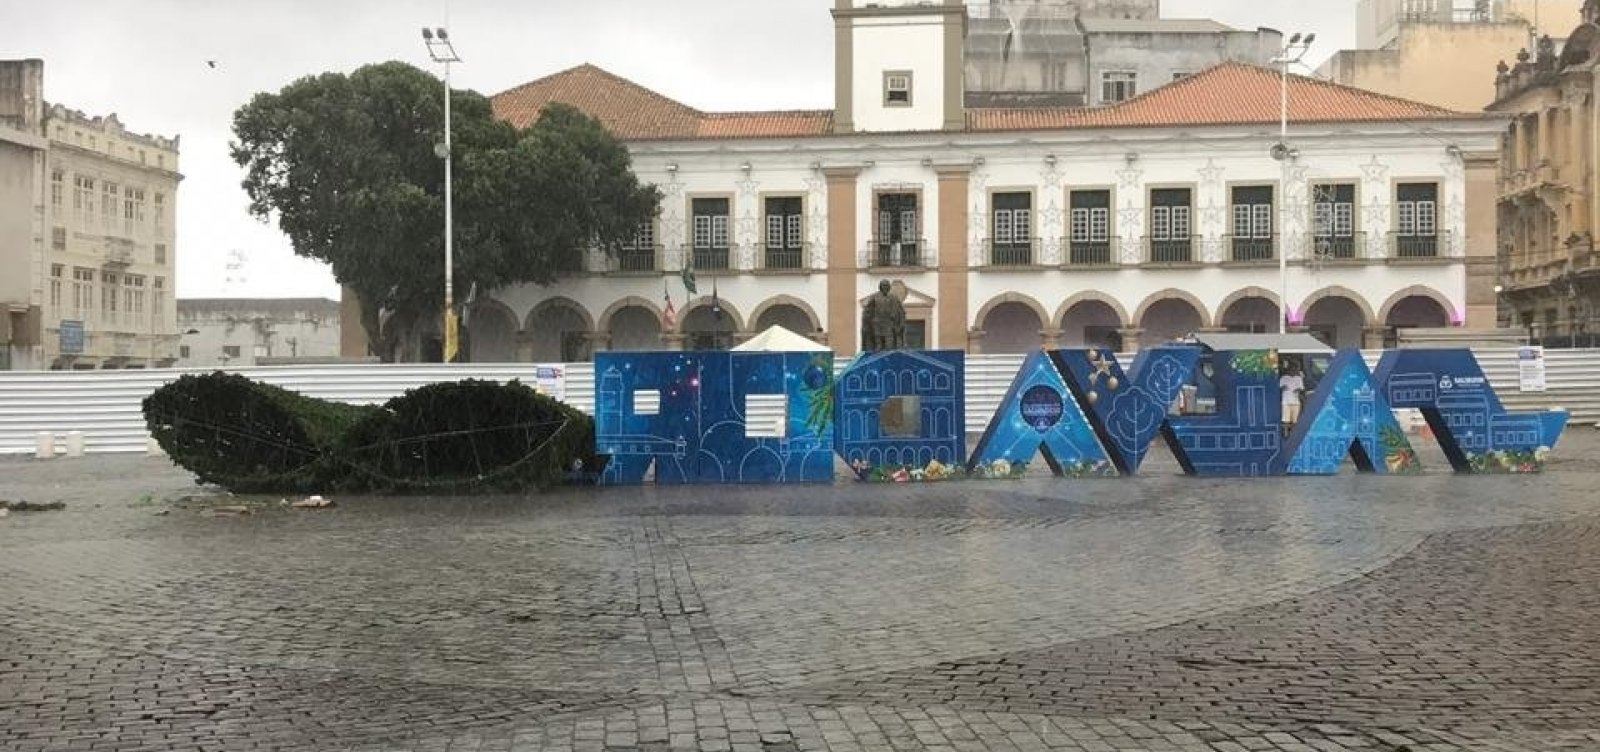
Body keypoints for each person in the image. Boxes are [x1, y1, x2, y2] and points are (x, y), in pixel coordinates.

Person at [862, 280, 906, 351]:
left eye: (887, 286)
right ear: (880, 287)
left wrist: (900, 324)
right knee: (878, 347)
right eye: (883, 286)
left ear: (889, 287)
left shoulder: (894, 298)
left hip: (889, 325)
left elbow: (901, 311)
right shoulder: (874, 298)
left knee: (889, 346)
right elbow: (868, 312)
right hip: (877, 325)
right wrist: (869, 323)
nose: (885, 287)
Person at [1280, 361, 1305, 432]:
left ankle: (1293, 433)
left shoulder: (1298, 378)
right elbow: (1279, 387)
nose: (1293, 371)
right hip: (1286, 402)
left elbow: (1302, 388)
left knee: (1295, 420)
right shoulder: (1284, 378)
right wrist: (1283, 387)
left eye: (1294, 370)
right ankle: (1285, 433)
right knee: (1285, 420)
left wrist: (1298, 389)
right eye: (1292, 369)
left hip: (1295, 402)